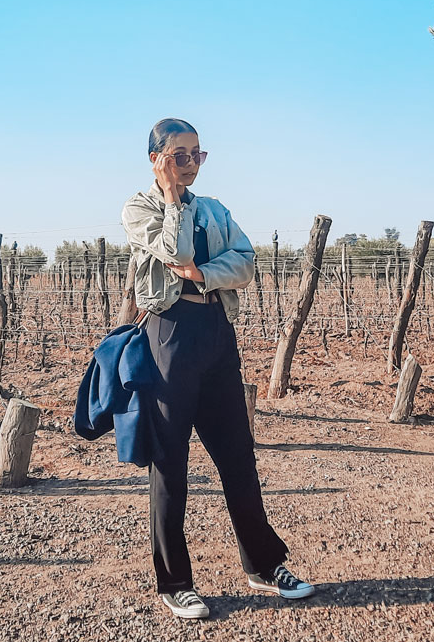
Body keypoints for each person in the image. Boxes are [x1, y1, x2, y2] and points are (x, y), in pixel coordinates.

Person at [120, 117, 314, 620]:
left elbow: (247, 262)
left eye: (198, 154)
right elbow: (173, 250)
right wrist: (171, 201)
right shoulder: (139, 209)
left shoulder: (216, 208)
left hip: (216, 335)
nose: (191, 164)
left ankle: (264, 565)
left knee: (238, 457)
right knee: (170, 464)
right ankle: (175, 582)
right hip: (168, 336)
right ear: (156, 158)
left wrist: (204, 273)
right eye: (180, 155)